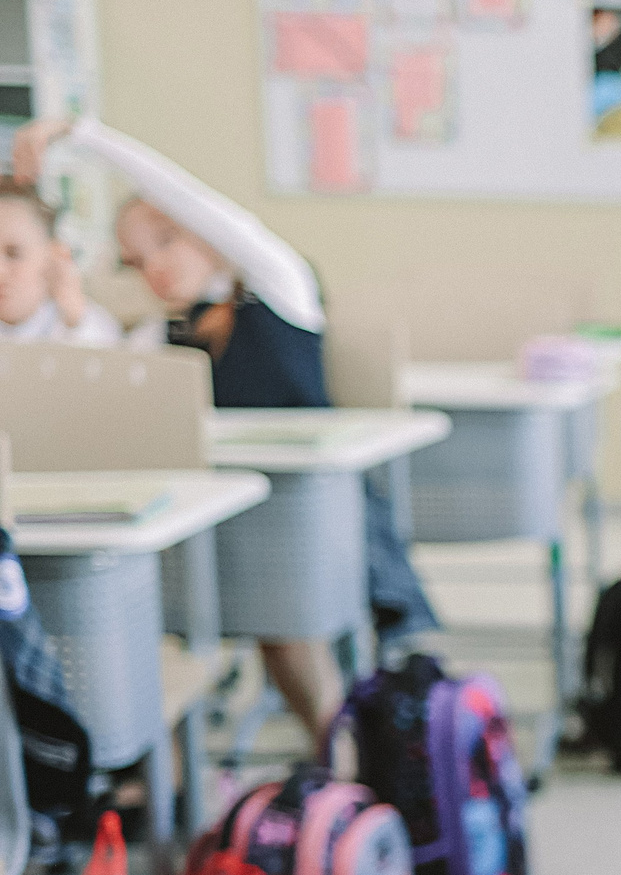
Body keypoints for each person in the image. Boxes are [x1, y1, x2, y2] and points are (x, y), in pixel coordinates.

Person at [13, 116, 441, 753]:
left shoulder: (281, 289)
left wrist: (88, 136)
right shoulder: (162, 335)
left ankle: (352, 767)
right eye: (136, 260)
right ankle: (168, 780)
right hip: (222, 529)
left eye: (166, 241)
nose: (153, 268)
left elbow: (199, 203)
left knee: (289, 628)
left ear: (202, 233)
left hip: (311, 525)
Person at [0, 180, 119, 346]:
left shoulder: (90, 328)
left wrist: (74, 317)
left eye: (14, 253)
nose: (1, 271)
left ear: (54, 255)